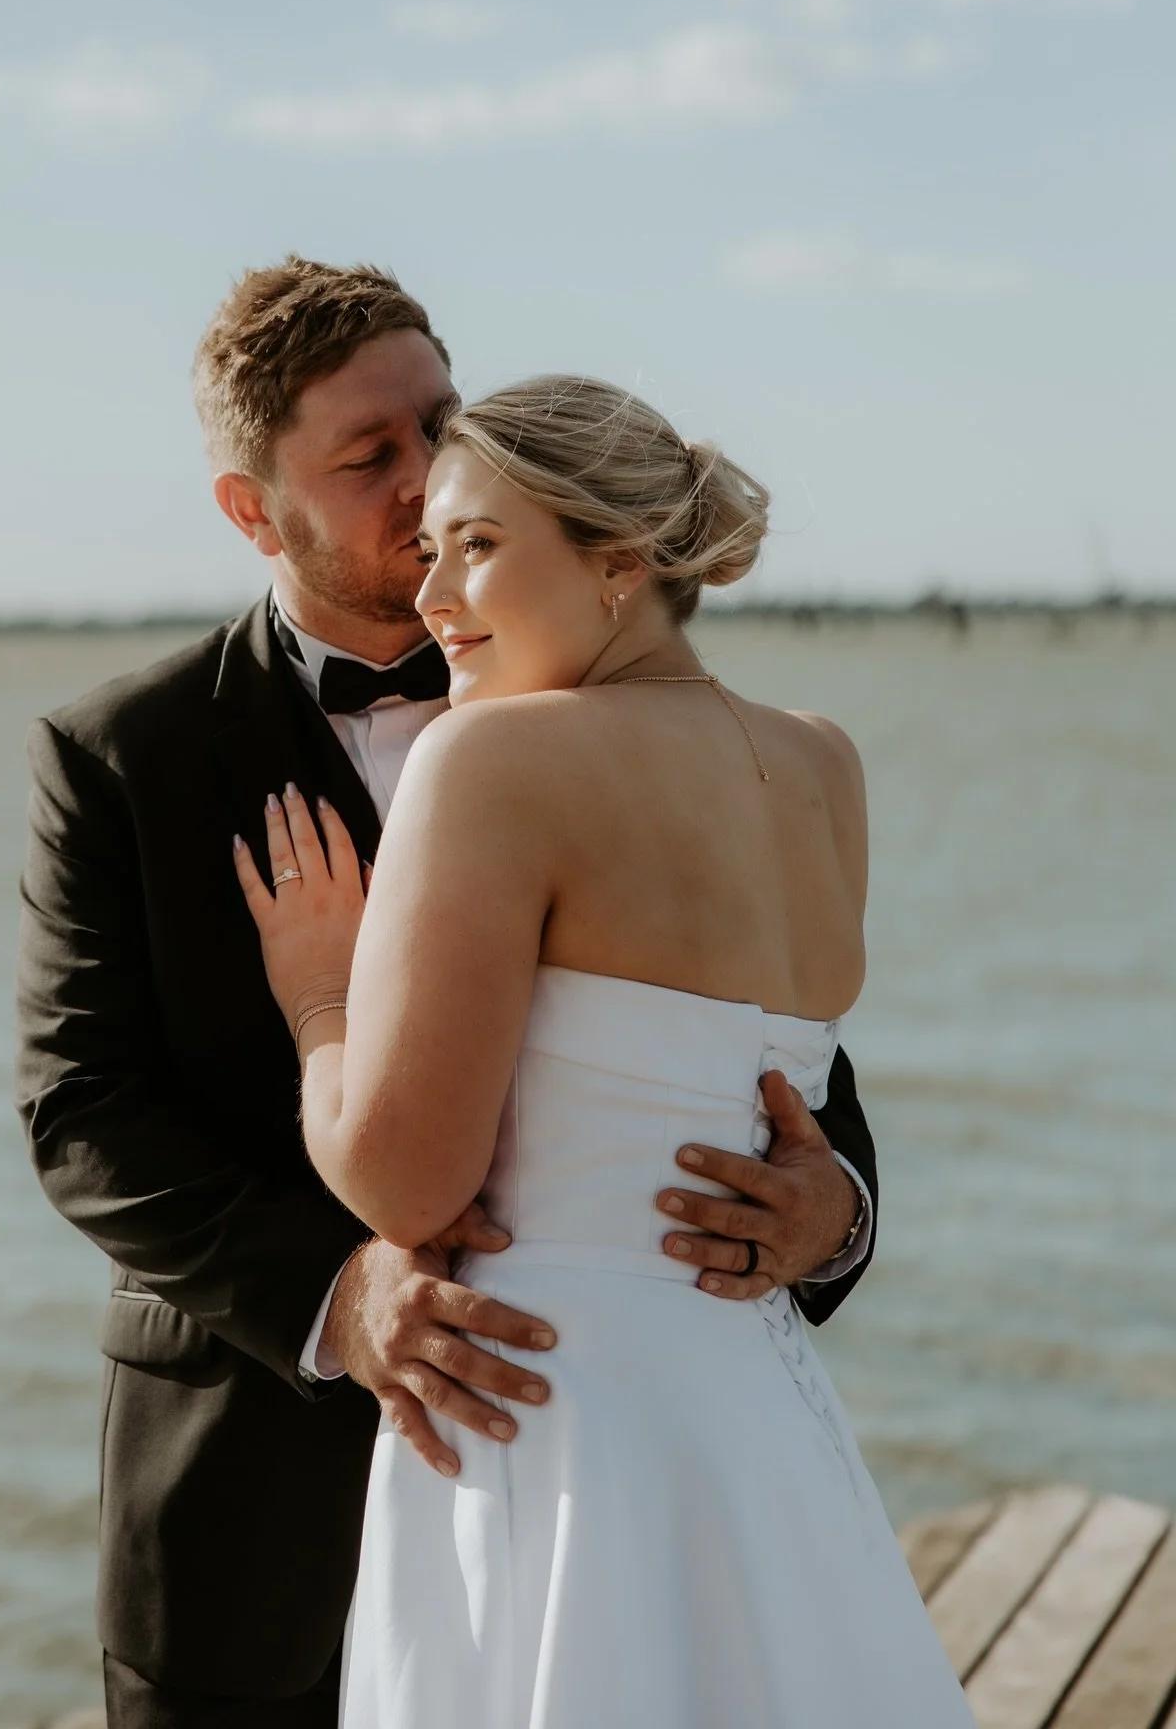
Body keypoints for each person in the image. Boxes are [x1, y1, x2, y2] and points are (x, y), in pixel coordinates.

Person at [15, 260, 879, 1729]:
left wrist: (836, 1210)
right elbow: (81, 1112)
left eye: (441, 424)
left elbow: (777, 1066)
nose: (425, 485)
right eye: (370, 459)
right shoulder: (126, 754)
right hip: (250, 1505)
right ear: (251, 510)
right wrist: (338, 1297)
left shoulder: (612, 721)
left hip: (599, 1484)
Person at [234, 375, 973, 1727]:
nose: (431, 590)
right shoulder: (824, 763)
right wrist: (837, 1212)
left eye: (478, 544)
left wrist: (322, 1004)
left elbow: (405, 1184)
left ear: (621, 561)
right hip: (758, 1417)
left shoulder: (491, 761)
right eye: (430, 545)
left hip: (548, 1417)